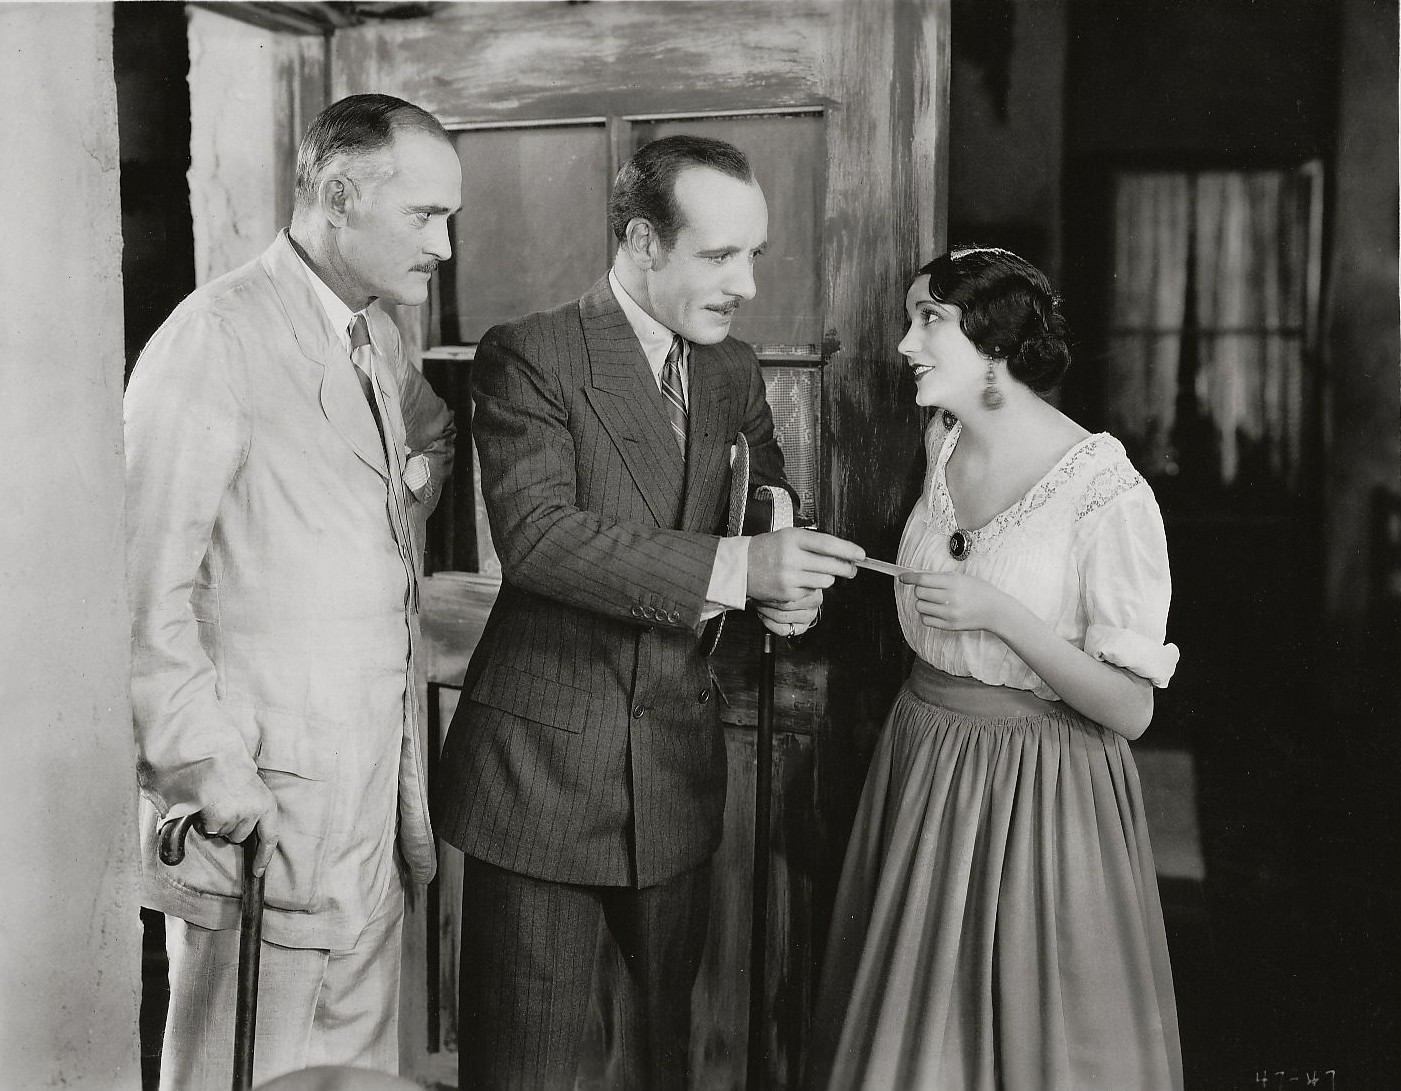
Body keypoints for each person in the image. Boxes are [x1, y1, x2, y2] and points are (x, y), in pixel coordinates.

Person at [430, 134, 865, 1091]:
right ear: (640, 242)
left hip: (674, 774)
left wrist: (782, 571)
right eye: (720, 256)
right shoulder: (531, 354)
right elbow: (540, 538)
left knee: (656, 1063)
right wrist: (744, 565)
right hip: (539, 783)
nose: (746, 283)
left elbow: (760, 494)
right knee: (527, 1072)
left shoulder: (729, 368)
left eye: (755, 254)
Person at [125, 93, 459, 1089]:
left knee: (352, 1072)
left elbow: (421, 441)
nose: (443, 244)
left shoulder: (377, 338)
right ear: (343, 196)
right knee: (253, 1073)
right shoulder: (213, 338)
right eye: (425, 216)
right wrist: (210, 773)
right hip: (261, 812)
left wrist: (412, 484)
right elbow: (139, 593)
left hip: (364, 800)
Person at [808, 247, 1184, 1090]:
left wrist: (1001, 616)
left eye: (927, 320)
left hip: (1040, 791)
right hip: (923, 763)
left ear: (997, 345)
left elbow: (1130, 709)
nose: (905, 342)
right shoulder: (941, 443)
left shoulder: (1103, 489)